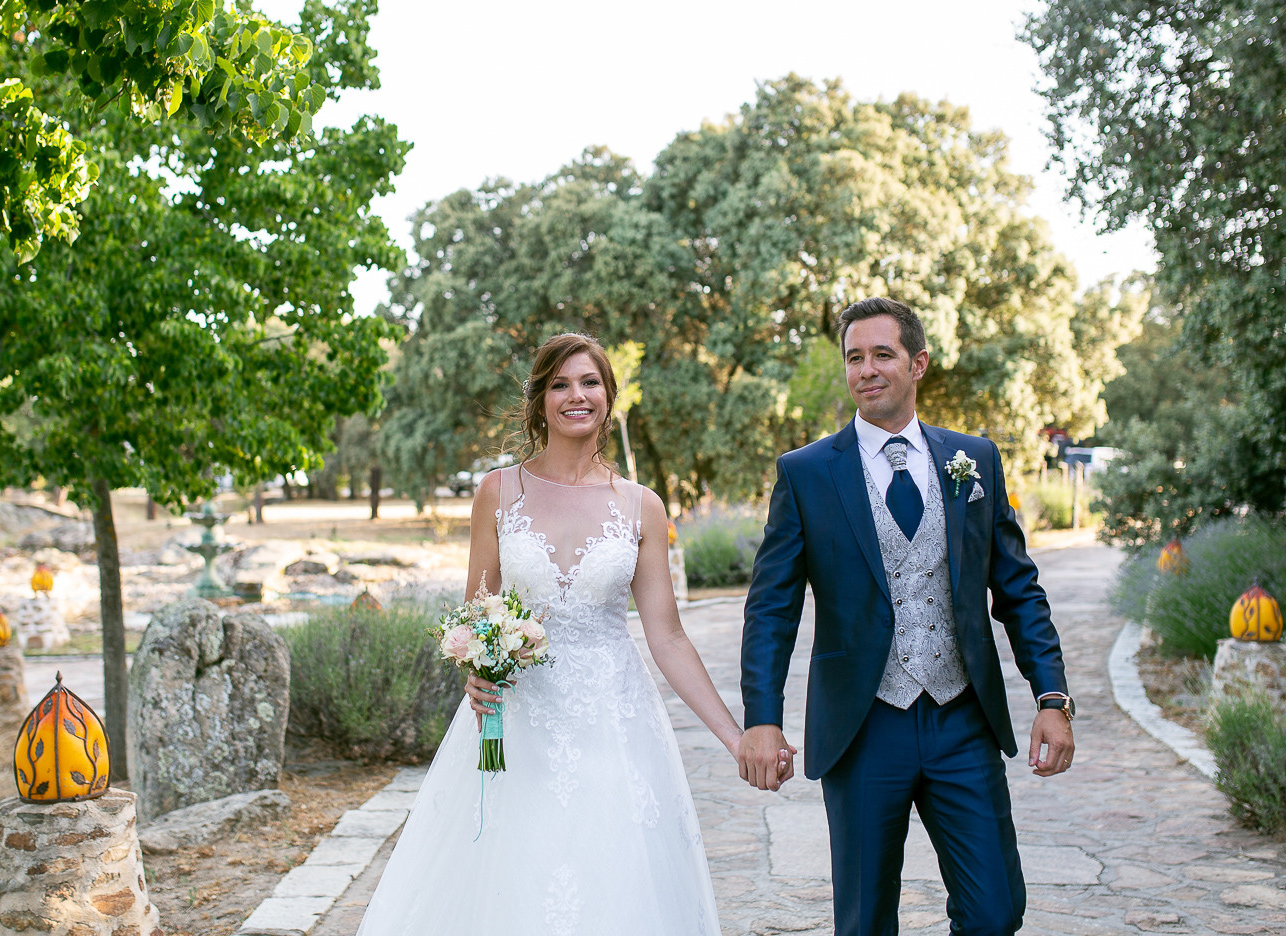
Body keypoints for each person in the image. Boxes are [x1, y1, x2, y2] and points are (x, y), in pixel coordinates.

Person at [356, 332, 749, 935]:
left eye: (589, 382)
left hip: (614, 721)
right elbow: (477, 616)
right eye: (560, 384)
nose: (576, 396)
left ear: (608, 396)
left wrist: (734, 737)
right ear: (540, 399)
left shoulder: (641, 506)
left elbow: (667, 637)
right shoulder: (498, 492)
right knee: (510, 876)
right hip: (514, 720)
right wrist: (474, 671)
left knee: (610, 878)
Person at [737, 297, 1075, 936]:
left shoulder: (974, 461)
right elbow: (771, 607)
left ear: (918, 363)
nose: (865, 370)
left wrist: (1052, 697)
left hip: (962, 718)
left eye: (881, 355)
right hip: (863, 728)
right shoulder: (807, 473)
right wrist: (762, 719)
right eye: (854, 358)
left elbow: (1019, 589)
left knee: (997, 912)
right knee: (864, 922)